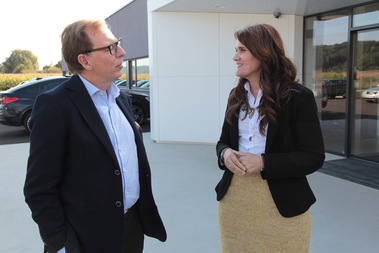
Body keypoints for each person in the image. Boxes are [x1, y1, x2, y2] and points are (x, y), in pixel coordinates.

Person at [24, 19, 166, 253]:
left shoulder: (122, 99)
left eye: (118, 44)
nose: (122, 52)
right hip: (85, 237)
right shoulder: (55, 105)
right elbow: (39, 188)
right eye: (111, 47)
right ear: (85, 60)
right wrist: (60, 243)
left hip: (131, 227)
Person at [215, 24, 325, 252]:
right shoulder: (236, 96)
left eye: (242, 50)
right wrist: (225, 154)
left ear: (263, 52)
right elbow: (222, 142)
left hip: (283, 207)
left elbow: (314, 157)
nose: (235, 57)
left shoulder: (298, 98)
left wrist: (264, 162)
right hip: (234, 204)